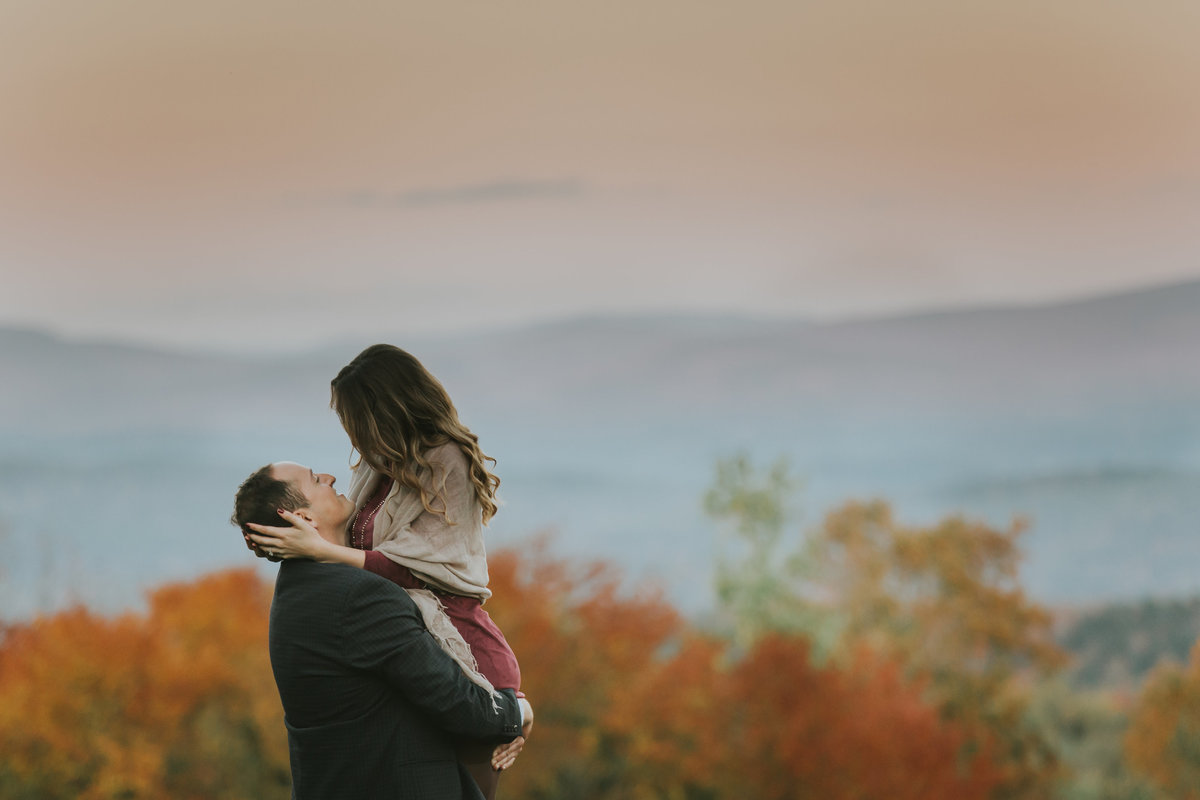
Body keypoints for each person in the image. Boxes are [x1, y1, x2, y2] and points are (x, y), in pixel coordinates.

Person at [241, 344, 523, 799]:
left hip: (462, 641)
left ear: (383, 411)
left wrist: (511, 708)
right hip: (426, 652)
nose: (348, 436)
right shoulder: (376, 470)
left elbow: (423, 571)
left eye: (353, 418)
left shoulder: (446, 463)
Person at [232, 464, 532, 800]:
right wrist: (517, 711)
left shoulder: (294, 593)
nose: (330, 477)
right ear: (303, 518)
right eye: (316, 480)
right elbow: (458, 703)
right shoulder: (358, 597)